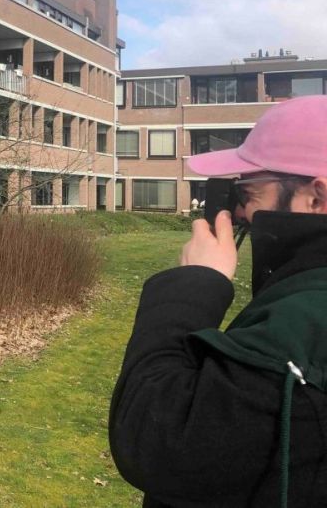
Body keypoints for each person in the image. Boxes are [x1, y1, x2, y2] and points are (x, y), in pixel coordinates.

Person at [109, 95, 327, 508]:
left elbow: (163, 443)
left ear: (316, 199)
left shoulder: (306, 324)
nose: (240, 212)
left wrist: (195, 284)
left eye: (248, 193)